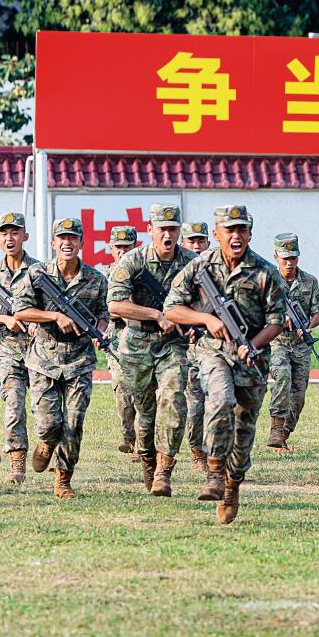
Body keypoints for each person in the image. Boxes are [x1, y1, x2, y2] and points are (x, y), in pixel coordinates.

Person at [164, 205, 286, 524]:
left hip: (252, 359)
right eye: (229, 230)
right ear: (216, 234)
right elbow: (172, 309)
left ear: (250, 234)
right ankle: (215, 473)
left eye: (241, 229)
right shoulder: (199, 266)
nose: (236, 236)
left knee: (243, 431)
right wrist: (206, 319)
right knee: (220, 399)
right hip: (212, 351)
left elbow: (277, 321)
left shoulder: (265, 271)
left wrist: (254, 345)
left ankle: (232, 486)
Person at [12, 217, 110, 499]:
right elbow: (21, 311)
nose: (67, 243)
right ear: (53, 243)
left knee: (74, 423)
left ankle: (63, 479)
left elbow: (104, 314)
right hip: (44, 360)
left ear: (81, 243)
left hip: (80, 360)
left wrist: (99, 332)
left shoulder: (95, 279)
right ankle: (45, 443)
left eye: (73, 238)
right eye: (62, 238)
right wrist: (55, 316)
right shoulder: (37, 274)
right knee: (49, 425)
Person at [106, 204, 196, 495]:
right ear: (150, 230)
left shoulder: (192, 262)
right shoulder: (133, 261)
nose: (167, 235)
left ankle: (164, 470)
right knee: (144, 412)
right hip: (136, 343)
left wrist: (192, 321)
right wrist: (156, 315)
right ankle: (147, 458)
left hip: (173, 345)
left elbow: (206, 300)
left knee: (174, 400)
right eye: (162, 229)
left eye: (173, 229)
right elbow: (115, 305)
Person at [0, 212, 38, 484]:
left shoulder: (40, 271)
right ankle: (17, 464)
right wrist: (4, 319)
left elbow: (51, 308)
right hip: (10, 350)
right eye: (4, 233)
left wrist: (35, 321)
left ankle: (47, 449)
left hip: (40, 351)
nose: (9, 238)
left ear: (25, 236)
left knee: (43, 410)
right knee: (13, 405)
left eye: (15, 232)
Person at [266, 232, 319, 453]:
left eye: (293, 258)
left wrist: (308, 326)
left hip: (300, 346)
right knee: (282, 376)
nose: (289, 263)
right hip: (277, 342)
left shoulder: (309, 281)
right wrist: (280, 319)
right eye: (285, 258)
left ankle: (283, 434)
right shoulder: (268, 281)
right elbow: (259, 312)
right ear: (276, 257)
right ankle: (276, 428)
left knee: (298, 396)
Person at [98, 225, 138, 455]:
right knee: (122, 390)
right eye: (118, 247)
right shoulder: (103, 277)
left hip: (142, 338)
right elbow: (102, 309)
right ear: (111, 248)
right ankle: (128, 435)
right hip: (115, 340)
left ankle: (142, 444)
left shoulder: (142, 273)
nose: (123, 252)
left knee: (143, 390)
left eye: (127, 247)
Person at [180, 221, 211, 472]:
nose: (196, 246)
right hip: (187, 348)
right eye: (191, 241)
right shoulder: (179, 274)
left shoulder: (218, 270)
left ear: (208, 243)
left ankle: (217, 453)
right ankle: (197, 452)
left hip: (215, 347)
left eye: (201, 240)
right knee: (195, 406)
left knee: (221, 403)